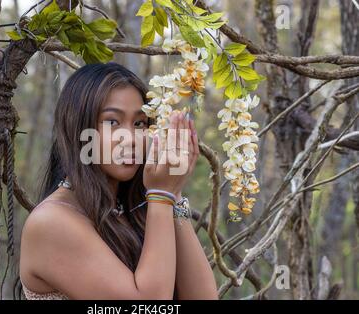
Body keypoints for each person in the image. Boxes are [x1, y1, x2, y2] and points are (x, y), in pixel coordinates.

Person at [19, 62, 218, 300]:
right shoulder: (51, 222)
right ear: (78, 128)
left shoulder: (132, 210)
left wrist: (172, 194)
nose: (132, 139)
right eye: (112, 122)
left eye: (139, 123)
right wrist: (161, 196)